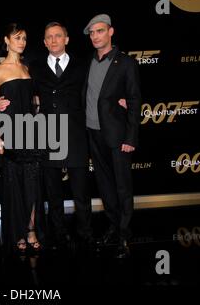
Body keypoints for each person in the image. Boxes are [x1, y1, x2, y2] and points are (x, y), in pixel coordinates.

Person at [0, 22, 93, 250]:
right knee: (53, 192)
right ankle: (58, 235)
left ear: (66, 39)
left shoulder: (82, 65)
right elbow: (20, 93)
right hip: (47, 137)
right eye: (49, 37)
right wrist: (1, 102)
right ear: (44, 42)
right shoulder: (35, 68)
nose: (53, 40)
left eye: (58, 36)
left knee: (81, 192)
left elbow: (92, 97)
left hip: (76, 136)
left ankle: (86, 233)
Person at [82, 14, 141, 258]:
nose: (95, 36)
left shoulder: (126, 63)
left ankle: (125, 235)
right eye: (92, 33)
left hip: (117, 136)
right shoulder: (89, 62)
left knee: (122, 187)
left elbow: (135, 100)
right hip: (93, 133)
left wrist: (131, 138)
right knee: (105, 187)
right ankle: (114, 226)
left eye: (99, 31)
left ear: (110, 32)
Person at [0, 23, 45, 253]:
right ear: (7, 40)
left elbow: (33, 100)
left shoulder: (27, 68)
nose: (21, 42)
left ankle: (31, 229)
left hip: (31, 133)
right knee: (14, 185)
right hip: (10, 133)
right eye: (17, 37)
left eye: (24, 38)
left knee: (32, 184)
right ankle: (18, 232)